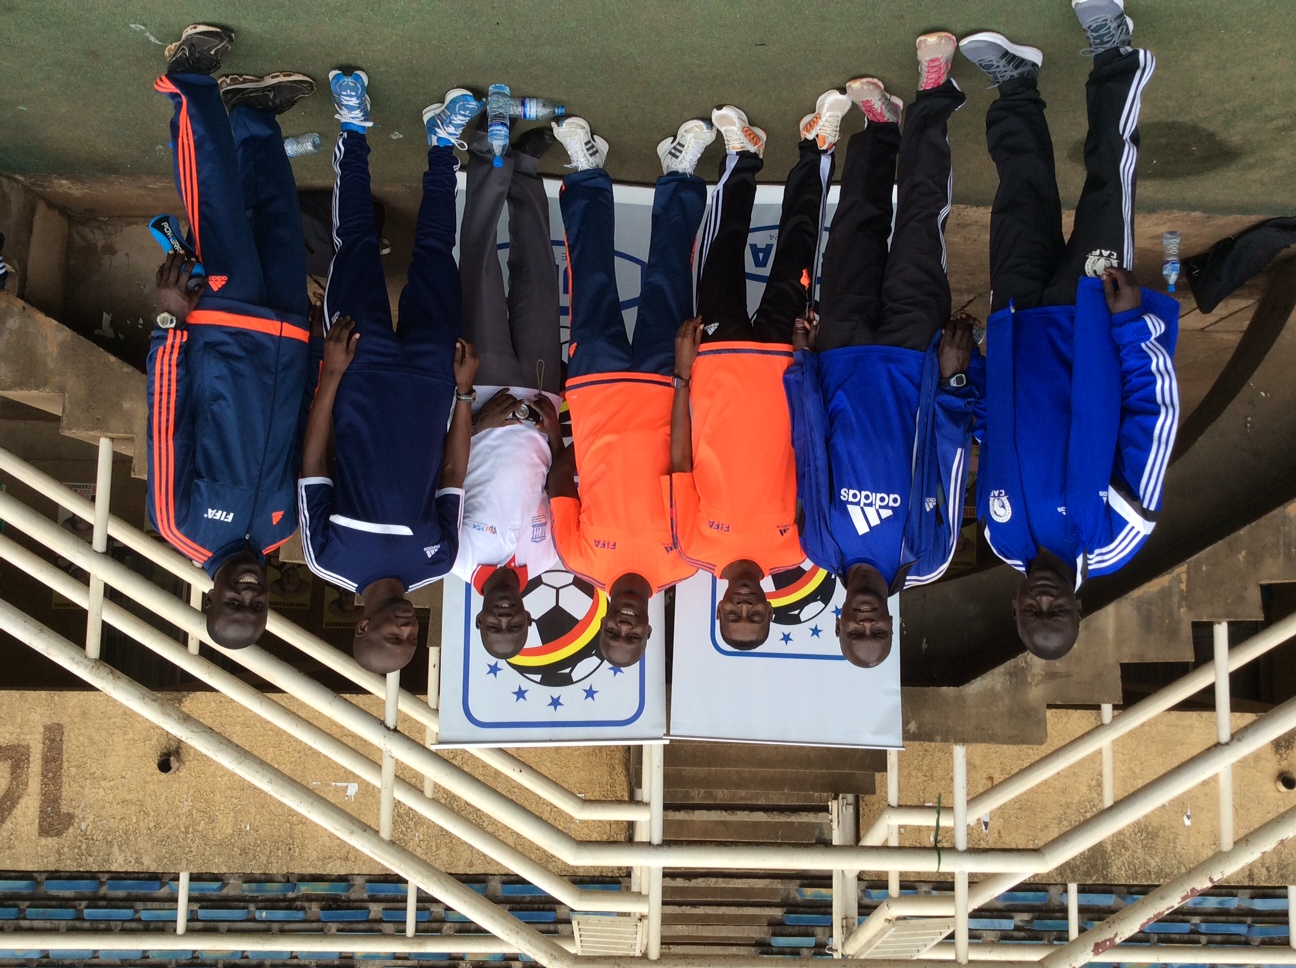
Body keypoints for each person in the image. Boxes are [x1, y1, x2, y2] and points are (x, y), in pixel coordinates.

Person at [959, 0, 1178, 660]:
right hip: (1094, 319)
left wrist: (968, 372)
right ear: (1080, 608)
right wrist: (1132, 325)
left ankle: (1017, 85)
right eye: (1058, 612)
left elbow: (993, 433)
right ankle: (1116, 54)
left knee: (1019, 197)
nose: (1044, 601)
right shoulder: (1116, 535)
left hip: (1017, 322)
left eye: (1034, 614)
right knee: (1107, 185)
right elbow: (1155, 415)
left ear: (1017, 608)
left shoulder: (1001, 536)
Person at [785, 33, 980, 669]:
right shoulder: (924, 553)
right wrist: (953, 381)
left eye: (855, 632)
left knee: (854, 228)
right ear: (891, 626)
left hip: (840, 356)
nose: (866, 623)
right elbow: (951, 459)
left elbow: (809, 447)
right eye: (877, 633)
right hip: (912, 358)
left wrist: (804, 366)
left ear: (839, 622)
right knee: (921, 220)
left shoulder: (819, 547)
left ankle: (880, 130)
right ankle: (934, 92)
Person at [298, 71, 480, 675]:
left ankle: (352, 128)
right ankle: (442, 145)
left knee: (354, 243)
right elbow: (453, 474)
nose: (406, 628)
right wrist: (462, 394)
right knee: (436, 256)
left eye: (392, 636)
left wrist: (331, 373)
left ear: (363, 626)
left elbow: (314, 463)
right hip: (432, 380)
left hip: (359, 372)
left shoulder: (327, 558)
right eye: (411, 638)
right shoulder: (438, 560)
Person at [146, 24, 316, 649]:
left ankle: (187, 81)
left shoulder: (180, 526)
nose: (248, 590)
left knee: (215, 202)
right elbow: (300, 429)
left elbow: (167, 422)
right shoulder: (280, 528)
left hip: (218, 329)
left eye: (234, 601)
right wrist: (313, 353)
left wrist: (171, 325)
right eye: (257, 603)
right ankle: (254, 117)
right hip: (286, 336)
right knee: (278, 216)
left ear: (210, 596)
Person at [669, 95, 847, 649]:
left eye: (734, 615)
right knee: (798, 245)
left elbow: (678, 460)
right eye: (755, 615)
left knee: (722, 251)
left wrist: (683, 375)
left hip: (716, 368)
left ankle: (742, 157)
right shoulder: (799, 547)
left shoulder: (692, 547)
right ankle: (818, 149)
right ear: (771, 607)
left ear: (720, 608)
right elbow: (813, 453)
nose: (744, 606)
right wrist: (809, 363)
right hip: (783, 361)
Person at [545, 115, 709, 667]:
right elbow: (691, 467)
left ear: (602, 622)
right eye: (632, 636)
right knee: (670, 277)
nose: (625, 625)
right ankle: (680, 172)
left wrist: (597, 439)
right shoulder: (684, 560)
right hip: (666, 384)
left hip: (596, 386)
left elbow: (559, 481)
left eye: (613, 631)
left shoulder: (579, 559)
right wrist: (684, 382)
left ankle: (586, 168)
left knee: (590, 275)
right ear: (648, 632)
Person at [451, 121, 565, 661]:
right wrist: (554, 430)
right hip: (542, 396)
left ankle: (485, 159)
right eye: (513, 624)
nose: (504, 616)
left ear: (479, 619)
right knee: (539, 276)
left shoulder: (454, 557)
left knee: (480, 271)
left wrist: (477, 421)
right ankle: (525, 169)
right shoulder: (548, 558)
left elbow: (435, 475)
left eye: (494, 624)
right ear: (527, 616)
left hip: (483, 391)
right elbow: (558, 481)